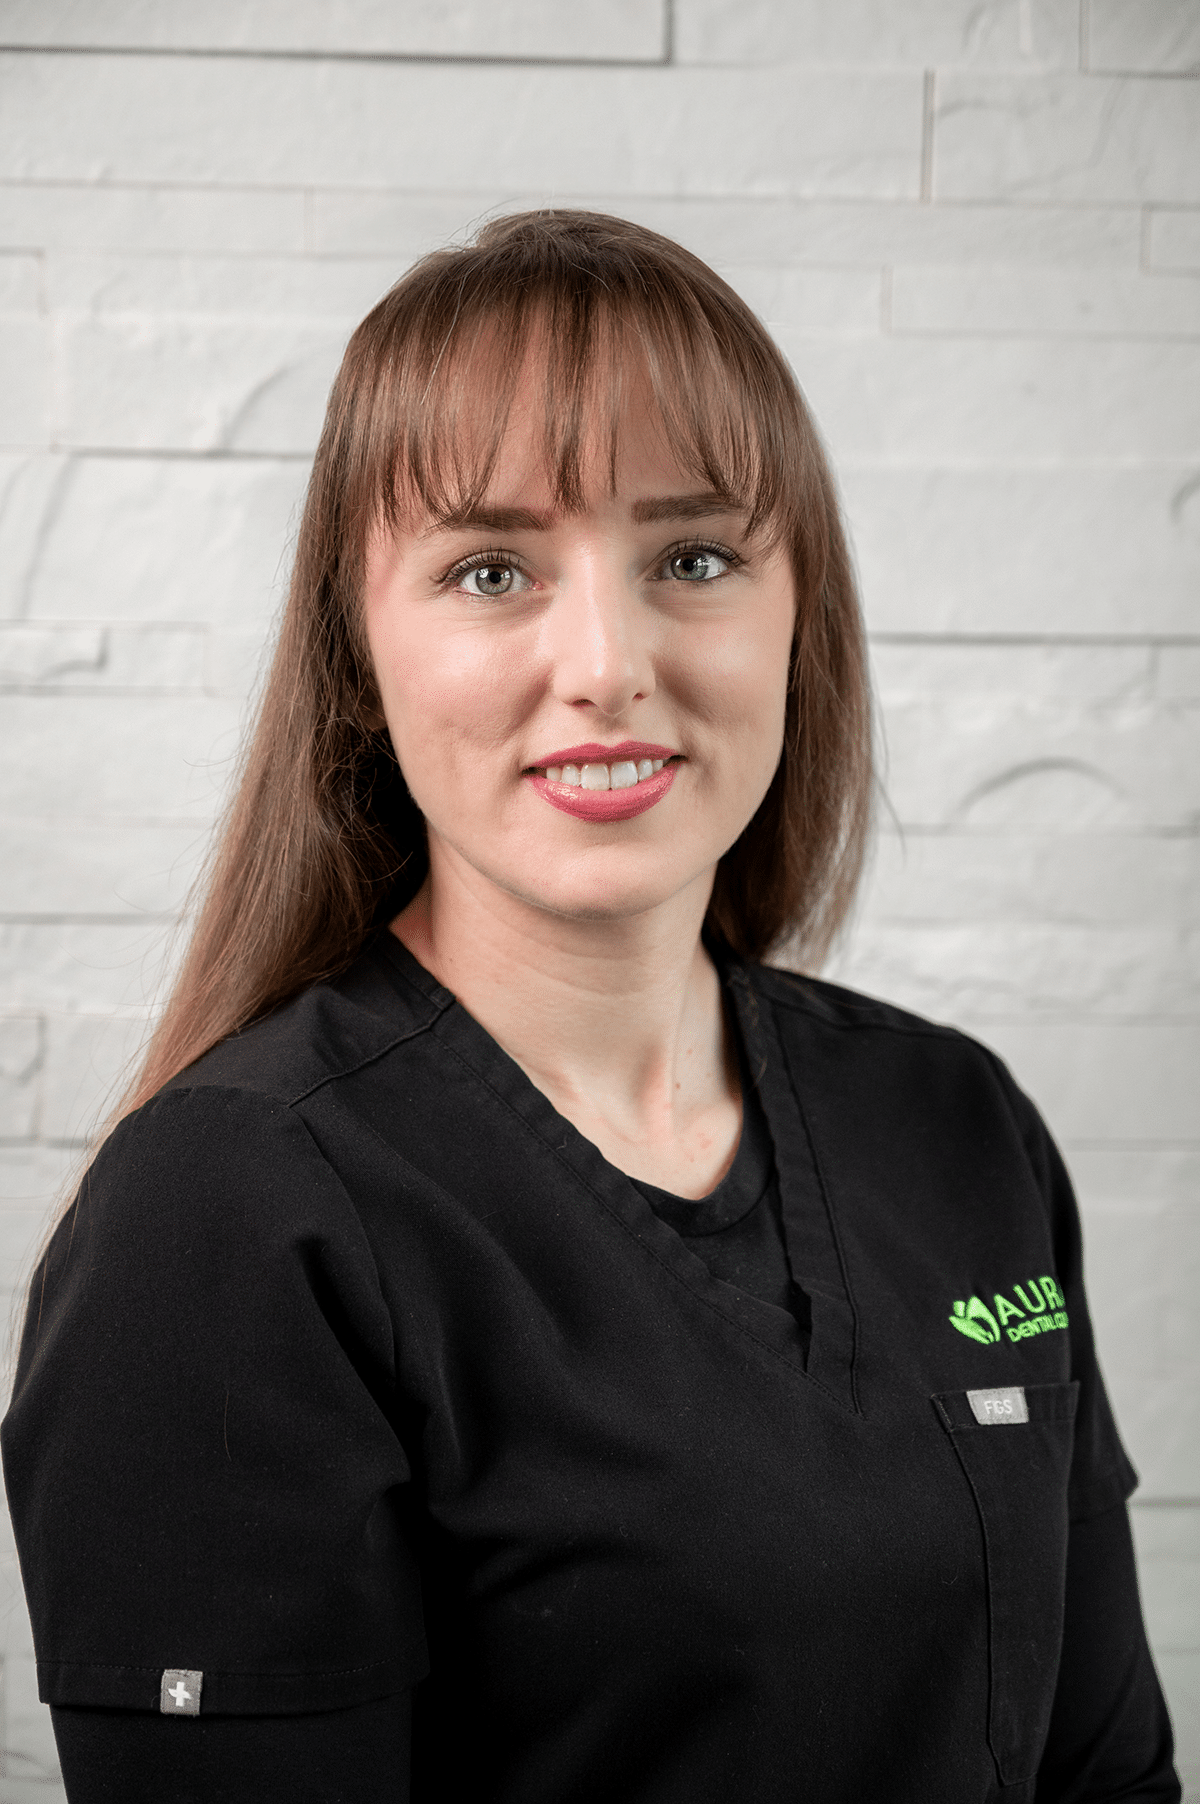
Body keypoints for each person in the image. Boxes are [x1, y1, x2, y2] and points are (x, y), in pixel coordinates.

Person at [1, 210, 1180, 1804]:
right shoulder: (223, 1221)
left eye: (693, 559)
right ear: (360, 651)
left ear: (797, 615)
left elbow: (1106, 1774)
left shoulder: (955, 1123)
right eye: (492, 570)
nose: (608, 663)